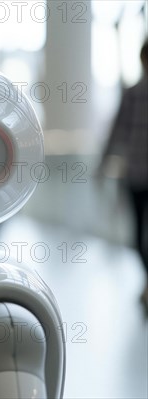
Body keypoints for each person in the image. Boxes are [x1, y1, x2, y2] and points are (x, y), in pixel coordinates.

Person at [100, 38, 148, 311]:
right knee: (140, 234)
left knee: (139, 235)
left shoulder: (131, 93)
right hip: (136, 175)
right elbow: (118, 130)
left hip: (137, 176)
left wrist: (102, 164)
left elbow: (116, 132)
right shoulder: (131, 94)